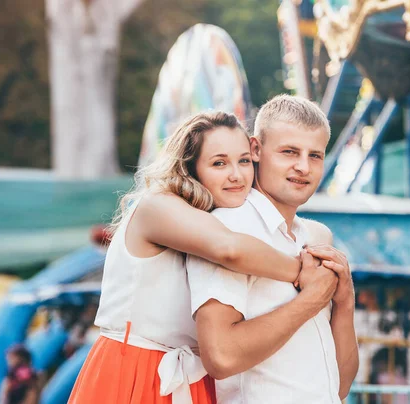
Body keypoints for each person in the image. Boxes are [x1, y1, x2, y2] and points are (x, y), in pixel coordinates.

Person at [69, 112, 324, 404]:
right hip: (135, 367)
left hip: (191, 380)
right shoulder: (157, 205)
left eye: (243, 161)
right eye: (219, 163)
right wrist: (301, 273)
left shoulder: (213, 219)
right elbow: (230, 249)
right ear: (190, 168)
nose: (236, 175)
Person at [188, 94, 360, 403]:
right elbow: (221, 357)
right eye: (289, 152)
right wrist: (312, 299)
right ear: (255, 149)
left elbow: (339, 386)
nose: (303, 167)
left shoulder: (312, 237)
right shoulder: (229, 226)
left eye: (315, 155)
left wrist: (345, 302)